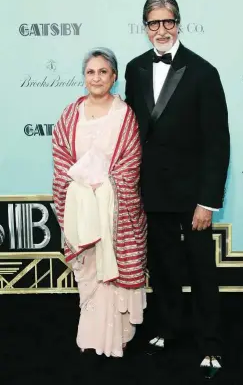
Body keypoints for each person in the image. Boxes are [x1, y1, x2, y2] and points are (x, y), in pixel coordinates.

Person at [125, 0, 230, 379]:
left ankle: (211, 343)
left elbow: (218, 142)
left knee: (201, 268)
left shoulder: (203, 71)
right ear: (145, 26)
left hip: (192, 195)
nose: (162, 29)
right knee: (165, 267)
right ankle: (167, 329)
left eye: (168, 21)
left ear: (179, 22)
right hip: (152, 192)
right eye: (154, 22)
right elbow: (133, 133)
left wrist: (207, 201)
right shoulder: (135, 69)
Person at [52, 47, 147, 358]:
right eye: (91, 72)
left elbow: (130, 162)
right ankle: (92, 335)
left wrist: (104, 189)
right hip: (81, 209)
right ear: (84, 77)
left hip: (114, 211)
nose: (96, 77)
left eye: (103, 72)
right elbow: (62, 160)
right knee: (90, 272)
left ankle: (118, 336)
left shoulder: (125, 115)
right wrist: (82, 190)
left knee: (114, 270)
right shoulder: (69, 115)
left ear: (114, 77)